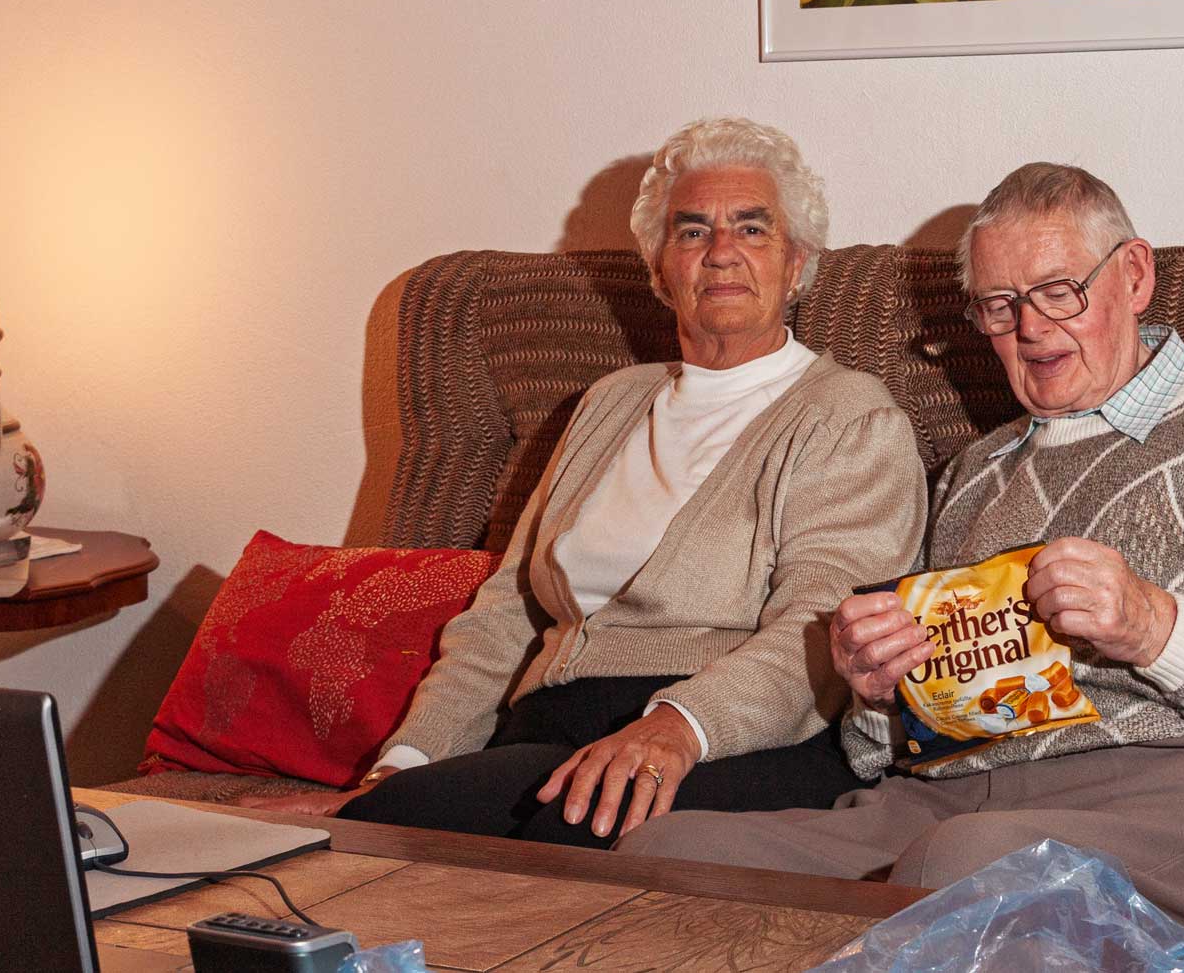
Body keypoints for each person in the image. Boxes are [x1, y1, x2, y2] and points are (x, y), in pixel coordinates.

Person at [619, 163, 1184, 947]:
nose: (1030, 327)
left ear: (1133, 275)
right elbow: (892, 748)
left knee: (968, 868)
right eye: (999, 305)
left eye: (1060, 290)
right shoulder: (971, 477)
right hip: (950, 802)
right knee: (664, 857)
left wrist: (1156, 627)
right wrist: (880, 693)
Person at [242, 118, 927, 848]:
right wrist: (401, 768)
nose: (721, 251)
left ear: (797, 263)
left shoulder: (849, 416)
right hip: (544, 728)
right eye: (692, 231)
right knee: (415, 814)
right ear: (661, 270)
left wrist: (678, 726)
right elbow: (506, 614)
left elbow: (823, 628)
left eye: (752, 229)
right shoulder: (609, 403)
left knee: (519, 822)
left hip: (740, 741)